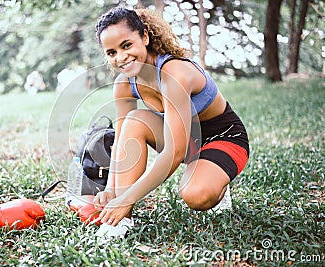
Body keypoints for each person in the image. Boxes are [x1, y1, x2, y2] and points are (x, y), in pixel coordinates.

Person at [92, 7, 249, 238]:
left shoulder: (173, 72)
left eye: (126, 46)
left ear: (144, 37)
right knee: (133, 121)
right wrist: (111, 191)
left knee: (196, 194)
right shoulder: (124, 84)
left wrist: (129, 196)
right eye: (111, 52)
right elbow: (123, 141)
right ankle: (122, 220)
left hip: (224, 137)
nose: (121, 58)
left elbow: (174, 152)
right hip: (187, 139)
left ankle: (218, 183)